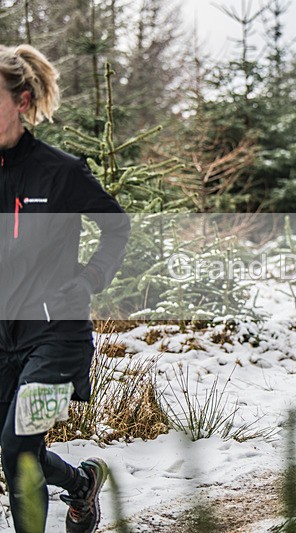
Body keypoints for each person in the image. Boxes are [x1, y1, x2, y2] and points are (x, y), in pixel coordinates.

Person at [0, 45, 130, 532]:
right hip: (2, 336)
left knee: (18, 450)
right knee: (16, 449)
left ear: (23, 100)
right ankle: (81, 486)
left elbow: (116, 226)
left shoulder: (60, 171)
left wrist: (91, 278)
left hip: (59, 337)